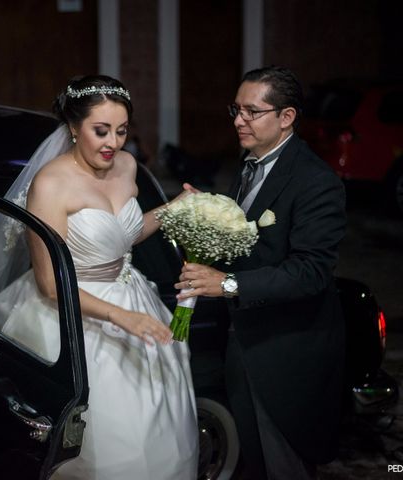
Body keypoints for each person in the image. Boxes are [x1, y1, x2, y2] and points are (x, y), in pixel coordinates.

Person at [0, 75, 199, 479]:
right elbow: (49, 284)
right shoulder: (50, 184)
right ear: (73, 127)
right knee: (107, 437)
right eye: (100, 131)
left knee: (158, 425)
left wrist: (175, 208)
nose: (113, 143)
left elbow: (123, 237)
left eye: (121, 131)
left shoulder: (126, 165)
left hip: (133, 295)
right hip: (72, 311)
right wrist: (121, 318)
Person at [177, 66, 346, 479]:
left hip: (286, 353)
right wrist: (210, 217)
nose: (238, 120)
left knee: (284, 465)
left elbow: (310, 272)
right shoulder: (250, 163)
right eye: (236, 109)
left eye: (251, 111)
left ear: (286, 117)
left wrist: (227, 284)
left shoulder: (315, 182)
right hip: (245, 343)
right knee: (253, 462)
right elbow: (255, 241)